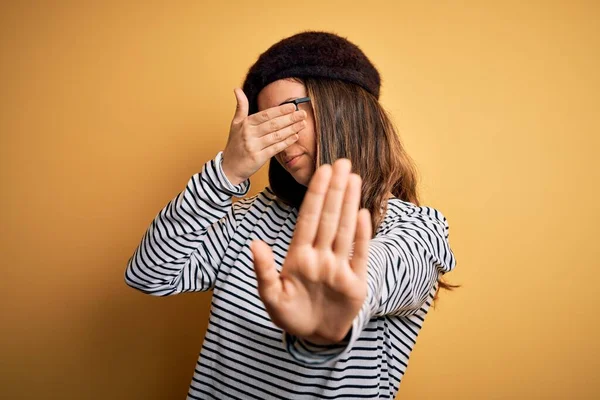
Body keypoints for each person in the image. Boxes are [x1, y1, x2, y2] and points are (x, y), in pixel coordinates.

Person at [125, 30, 457, 399]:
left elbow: (378, 273)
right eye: (264, 122)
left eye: (285, 114)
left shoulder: (417, 230)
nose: (276, 140)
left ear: (342, 106)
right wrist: (226, 172)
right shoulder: (252, 218)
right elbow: (150, 275)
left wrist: (322, 326)